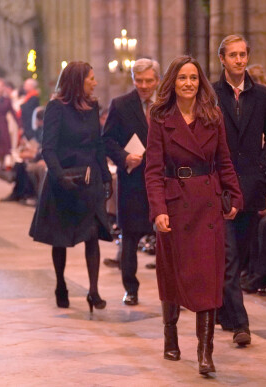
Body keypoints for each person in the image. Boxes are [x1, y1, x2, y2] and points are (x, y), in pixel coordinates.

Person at [144, 55, 243, 375]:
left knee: (208, 277)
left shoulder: (213, 115)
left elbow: (225, 162)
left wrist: (235, 197)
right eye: (183, 78)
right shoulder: (160, 117)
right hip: (174, 203)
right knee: (172, 272)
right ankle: (170, 335)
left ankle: (205, 352)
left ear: (200, 83)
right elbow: (153, 171)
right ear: (172, 82)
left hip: (207, 204)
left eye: (194, 78)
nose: (188, 83)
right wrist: (158, 209)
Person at [29, 61, 113, 313]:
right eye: (90, 78)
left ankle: (94, 291)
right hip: (63, 180)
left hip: (89, 178)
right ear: (78, 81)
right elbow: (49, 147)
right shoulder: (56, 107)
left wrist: (106, 176)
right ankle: (61, 285)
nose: (95, 83)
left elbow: (98, 145)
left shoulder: (92, 107)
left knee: (92, 235)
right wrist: (59, 175)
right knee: (60, 237)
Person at [212, 34, 266, 346]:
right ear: (222, 59)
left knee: (239, 253)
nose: (239, 60)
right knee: (227, 256)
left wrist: (263, 171)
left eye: (243, 54)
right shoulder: (209, 94)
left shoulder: (262, 96)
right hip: (219, 186)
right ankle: (240, 323)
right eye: (233, 55)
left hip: (251, 185)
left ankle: (224, 311)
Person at [103, 58, 161, 306]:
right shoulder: (121, 104)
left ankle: (173, 292)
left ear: (157, 80)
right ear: (133, 80)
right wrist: (125, 157)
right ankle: (131, 288)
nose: (144, 86)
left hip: (162, 179)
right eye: (140, 81)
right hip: (133, 180)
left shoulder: (167, 104)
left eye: (149, 80)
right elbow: (107, 140)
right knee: (130, 237)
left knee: (168, 239)